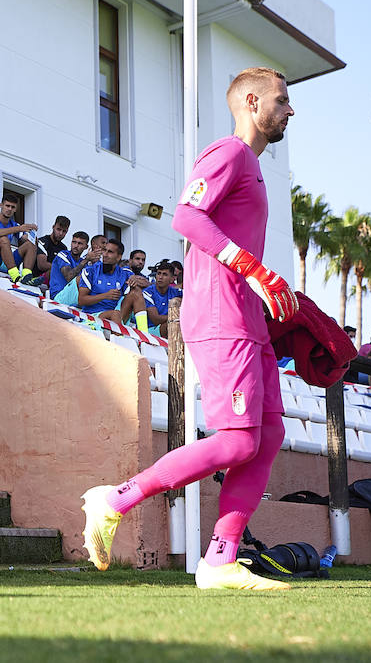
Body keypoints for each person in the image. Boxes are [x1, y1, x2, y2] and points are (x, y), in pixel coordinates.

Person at [80, 67, 302, 591]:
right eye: (282, 100)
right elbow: (185, 217)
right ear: (251, 102)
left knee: (268, 435)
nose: (291, 110)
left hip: (249, 319)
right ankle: (114, 500)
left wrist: (271, 292)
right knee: (239, 440)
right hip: (220, 313)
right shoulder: (229, 152)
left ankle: (221, 559)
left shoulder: (252, 165)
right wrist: (253, 270)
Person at [78, 239, 152, 333]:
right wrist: (105, 296)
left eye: (110, 252)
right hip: (92, 316)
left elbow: (147, 284)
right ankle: (119, 341)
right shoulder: (91, 270)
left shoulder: (124, 274)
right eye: (104, 250)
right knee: (114, 314)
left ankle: (144, 334)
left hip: (116, 317)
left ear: (118, 257)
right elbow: (81, 300)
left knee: (136, 292)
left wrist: (135, 280)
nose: (105, 254)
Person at [49, 230, 98, 299]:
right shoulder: (63, 255)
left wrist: (95, 262)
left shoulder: (85, 264)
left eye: (80, 243)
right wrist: (86, 260)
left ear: (86, 247)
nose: (75, 246)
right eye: (74, 242)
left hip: (75, 299)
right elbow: (69, 277)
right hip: (58, 296)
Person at [140, 261, 183, 336]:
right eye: (159, 273)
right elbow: (156, 319)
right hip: (150, 330)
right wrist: (178, 316)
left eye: (165, 274)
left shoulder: (176, 292)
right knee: (172, 324)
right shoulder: (148, 292)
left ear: (172, 279)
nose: (160, 277)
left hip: (167, 326)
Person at [34, 216, 71, 283]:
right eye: (58, 229)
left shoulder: (64, 248)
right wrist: (60, 268)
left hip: (53, 283)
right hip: (36, 278)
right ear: (53, 227)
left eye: (64, 231)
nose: (60, 233)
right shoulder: (43, 241)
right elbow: (42, 265)